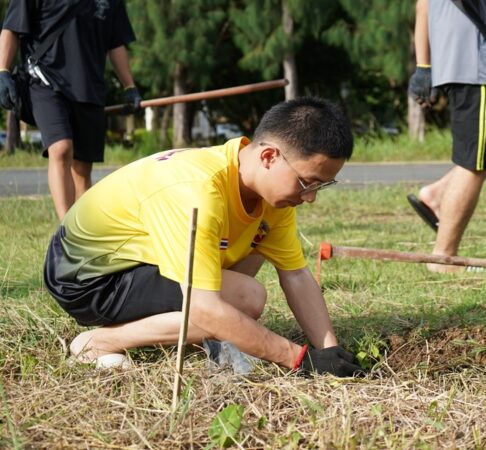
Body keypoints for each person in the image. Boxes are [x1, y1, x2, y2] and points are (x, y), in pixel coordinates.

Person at [42, 97, 363, 377]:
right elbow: (205, 307)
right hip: (87, 275)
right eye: (308, 183)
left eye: (320, 187)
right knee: (246, 298)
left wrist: (329, 352)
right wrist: (299, 359)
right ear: (269, 157)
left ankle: (210, 335)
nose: (310, 198)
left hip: (136, 262)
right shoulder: (198, 190)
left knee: (257, 246)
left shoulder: (270, 197)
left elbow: (295, 275)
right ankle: (97, 343)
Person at [407, 0, 486, 273]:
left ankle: (438, 192)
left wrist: (424, 64)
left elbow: (423, 6)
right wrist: (424, 67)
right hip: (476, 68)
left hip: (484, 65)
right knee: (474, 165)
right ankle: (444, 258)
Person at [0, 0, 143, 220]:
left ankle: (80, 234)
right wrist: (3, 70)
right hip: (44, 81)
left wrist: (129, 86)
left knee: (82, 170)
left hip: (89, 89)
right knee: (61, 148)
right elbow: (12, 28)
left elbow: (116, 44)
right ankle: (65, 233)